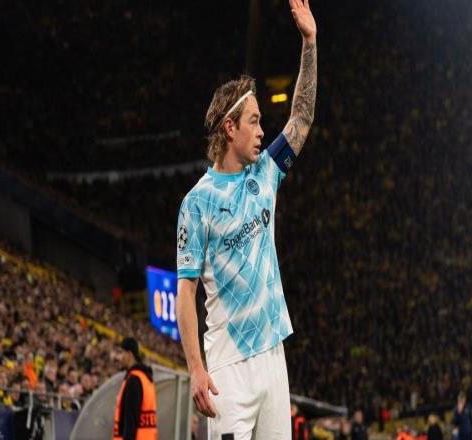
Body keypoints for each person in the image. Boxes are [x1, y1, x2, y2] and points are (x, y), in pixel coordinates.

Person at [176, 0, 317, 438]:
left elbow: (302, 116)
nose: (261, 131)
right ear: (229, 129)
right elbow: (185, 292)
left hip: (273, 356)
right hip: (227, 369)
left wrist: (310, 43)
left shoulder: (266, 174)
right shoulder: (197, 203)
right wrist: (195, 369)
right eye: (253, 122)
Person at [113, 337, 157, 440]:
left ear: (129, 355)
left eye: (121, 352)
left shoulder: (134, 380)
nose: (118, 357)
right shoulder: (145, 378)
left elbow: (130, 421)